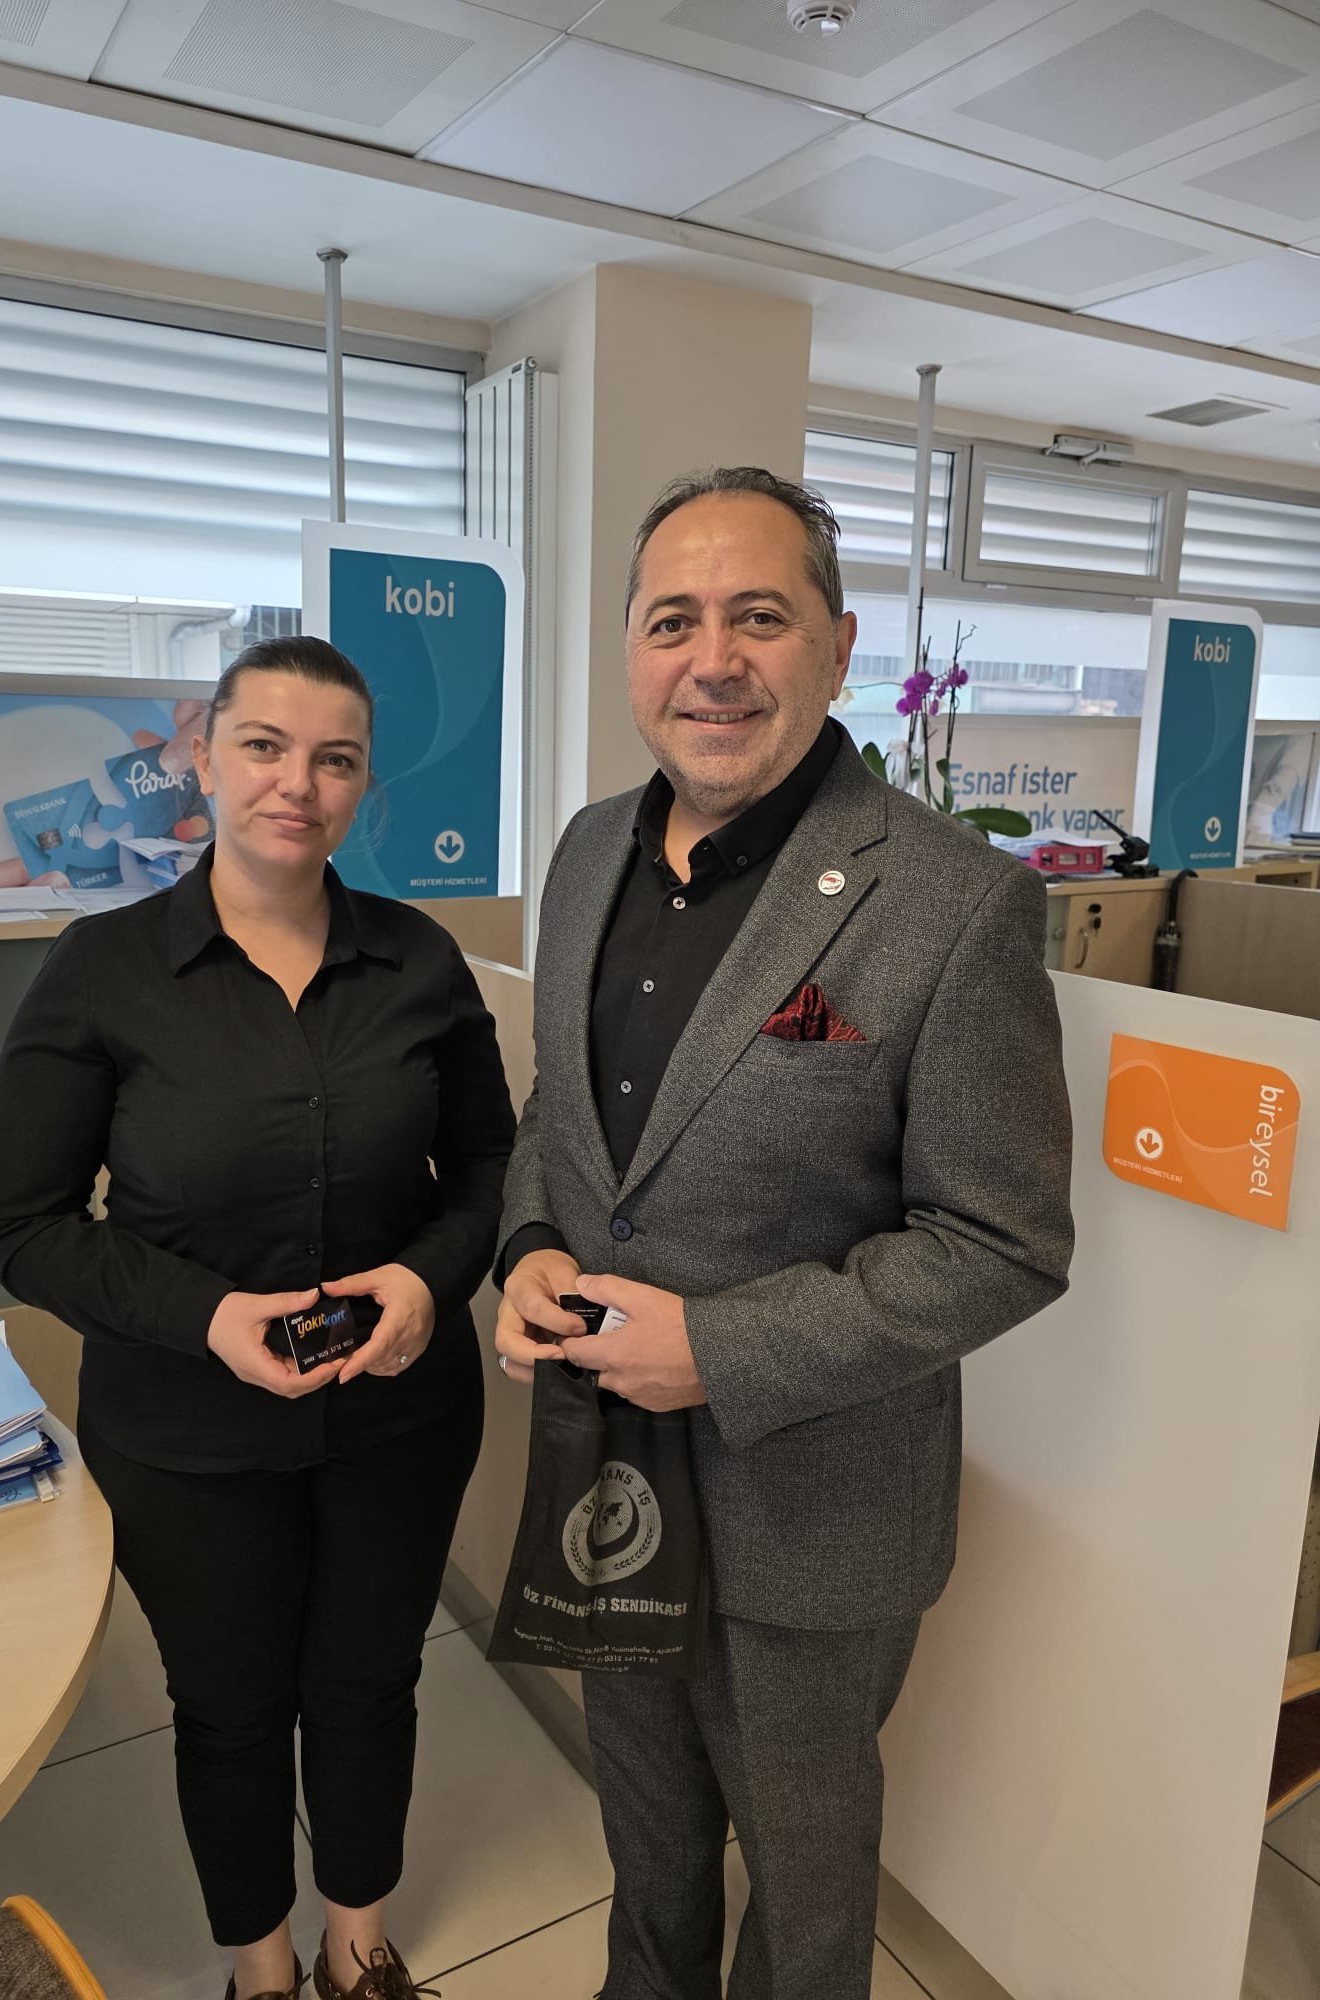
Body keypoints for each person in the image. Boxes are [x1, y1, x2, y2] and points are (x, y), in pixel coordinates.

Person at [494, 467, 1074, 2000]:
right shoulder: (585, 853)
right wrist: (528, 1244)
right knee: (649, 1845)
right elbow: (566, 1111)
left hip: (812, 1512)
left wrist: (722, 1348)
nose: (714, 660)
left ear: (837, 644)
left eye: (759, 615)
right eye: (672, 621)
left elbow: (1004, 1240)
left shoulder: (953, 904)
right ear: (629, 650)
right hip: (607, 1474)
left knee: (805, 1900)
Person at [0, 636, 515, 2000]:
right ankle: (261, 1969)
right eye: (264, 747)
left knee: (371, 1681)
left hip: (399, 1413)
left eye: (335, 760)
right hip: (185, 1432)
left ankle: (357, 1945)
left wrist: (425, 1280)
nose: (298, 784)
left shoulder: (418, 961)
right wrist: (208, 1316)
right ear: (202, 758)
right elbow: (20, 1223)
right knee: (228, 1705)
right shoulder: (102, 970)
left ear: (363, 784)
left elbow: (491, 1170)